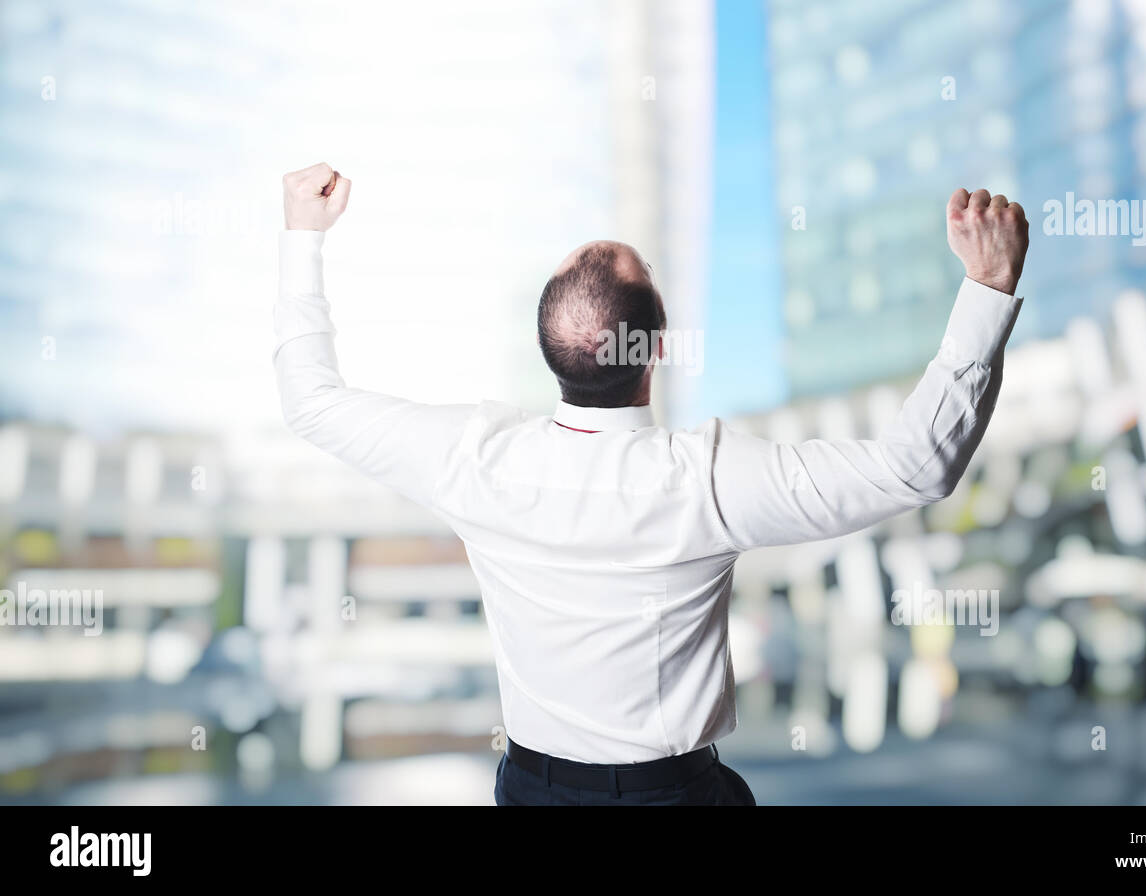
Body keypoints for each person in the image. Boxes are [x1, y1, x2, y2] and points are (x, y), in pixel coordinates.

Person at [273, 162, 1028, 805]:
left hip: (532, 793)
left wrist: (303, 233)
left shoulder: (472, 458)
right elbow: (916, 467)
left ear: (551, 348)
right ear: (654, 347)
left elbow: (310, 400)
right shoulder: (706, 481)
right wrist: (988, 286)